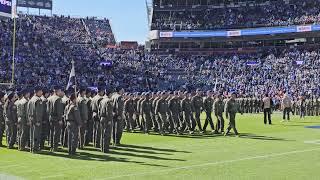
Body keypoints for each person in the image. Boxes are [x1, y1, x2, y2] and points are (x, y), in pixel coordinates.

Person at [47, 86, 64, 152]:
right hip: (56, 118)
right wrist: (60, 119)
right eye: (60, 91)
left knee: (51, 132)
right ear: (57, 91)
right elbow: (59, 111)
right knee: (56, 133)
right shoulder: (58, 99)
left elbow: (47, 109)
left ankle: (51, 146)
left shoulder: (49, 98)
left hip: (50, 117)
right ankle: (55, 147)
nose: (60, 92)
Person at [27, 87, 44, 153]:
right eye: (41, 91)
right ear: (37, 92)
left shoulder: (31, 99)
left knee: (32, 134)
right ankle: (35, 149)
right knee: (36, 135)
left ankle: (32, 148)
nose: (42, 93)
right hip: (36, 120)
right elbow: (38, 112)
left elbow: (28, 110)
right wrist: (38, 121)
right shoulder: (38, 100)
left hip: (31, 119)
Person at [99, 88, 113, 153]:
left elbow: (99, 110)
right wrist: (110, 120)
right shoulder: (109, 101)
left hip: (102, 118)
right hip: (107, 119)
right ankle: (106, 148)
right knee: (107, 134)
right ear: (110, 94)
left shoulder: (102, 100)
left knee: (102, 134)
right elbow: (109, 111)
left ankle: (102, 147)